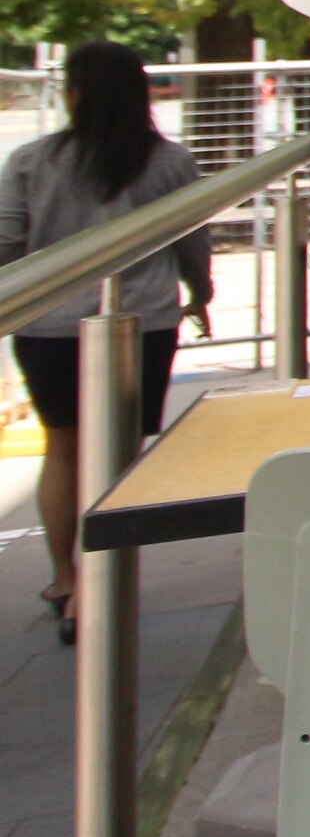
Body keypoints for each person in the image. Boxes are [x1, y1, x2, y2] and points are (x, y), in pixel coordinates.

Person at [0, 42, 210, 642]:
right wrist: (200, 292)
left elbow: (7, 243)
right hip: (142, 323)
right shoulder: (169, 163)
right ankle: (99, 583)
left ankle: (64, 578)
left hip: (47, 324)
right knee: (119, 453)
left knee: (62, 447)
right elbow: (191, 241)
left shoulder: (30, 161)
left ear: (73, 94)